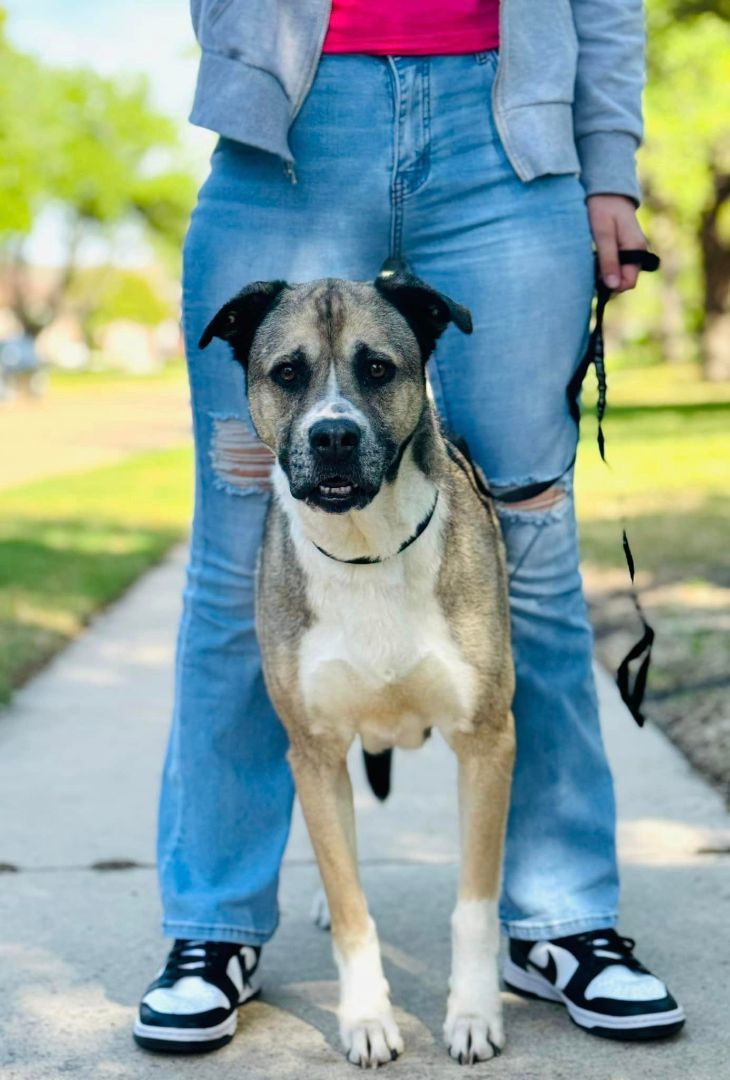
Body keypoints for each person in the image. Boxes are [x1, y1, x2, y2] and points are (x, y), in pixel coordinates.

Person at [133, 0, 685, 1055]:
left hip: (508, 130)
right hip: (294, 127)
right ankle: (212, 927)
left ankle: (560, 917)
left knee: (531, 539)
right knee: (232, 552)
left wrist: (606, 160)